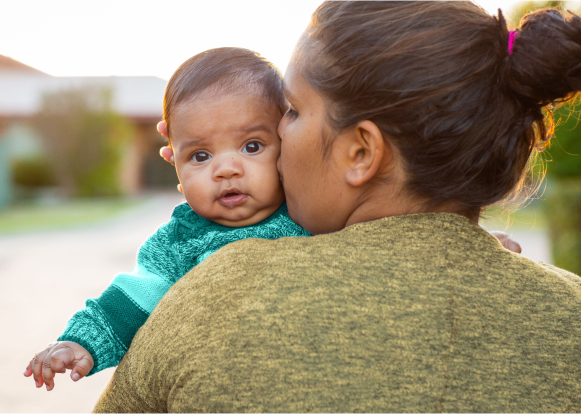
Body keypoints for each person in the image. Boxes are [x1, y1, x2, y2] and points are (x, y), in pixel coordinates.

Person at [94, 1, 581, 412]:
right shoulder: (570, 316)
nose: (277, 133)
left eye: (292, 110)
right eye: (202, 155)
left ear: (361, 153)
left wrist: (201, 160)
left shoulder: (220, 291)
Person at [23, 48, 311, 391]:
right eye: (200, 156)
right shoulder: (179, 241)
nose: (226, 169)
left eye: (251, 146)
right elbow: (131, 299)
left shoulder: (309, 212)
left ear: (287, 145)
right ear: (174, 164)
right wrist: (80, 342)